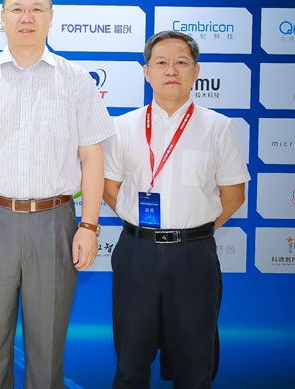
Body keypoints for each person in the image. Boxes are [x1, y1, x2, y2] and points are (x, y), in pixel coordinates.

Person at [0, 0, 115, 389]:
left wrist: (89, 225)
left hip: (54, 223)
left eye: (37, 9)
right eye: (18, 9)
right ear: (3, 17)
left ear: (51, 17)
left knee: (47, 349)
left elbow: (92, 157)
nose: (27, 17)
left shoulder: (77, 80)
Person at [102, 31, 249, 389]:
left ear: (196, 71)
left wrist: (193, 229)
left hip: (193, 257)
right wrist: (140, 224)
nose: (171, 70)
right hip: (137, 253)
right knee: (130, 362)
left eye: (182, 62)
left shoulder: (219, 127)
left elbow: (234, 195)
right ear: (146, 72)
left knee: (194, 366)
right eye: (161, 62)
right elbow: (108, 188)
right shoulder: (122, 127)